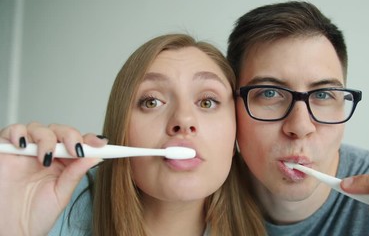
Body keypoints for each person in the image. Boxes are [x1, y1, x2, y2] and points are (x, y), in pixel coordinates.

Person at [0, 34, 265, 236]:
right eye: (151, 101)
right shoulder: (55, 217)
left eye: (207, 102)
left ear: (235, 136)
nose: (183, 120)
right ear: (121, 131)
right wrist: (14, 225)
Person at [227, 0, 369, 235]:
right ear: (231, 106)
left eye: (322, 94)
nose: (300, 126)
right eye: (269, 93)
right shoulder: (199, 194)